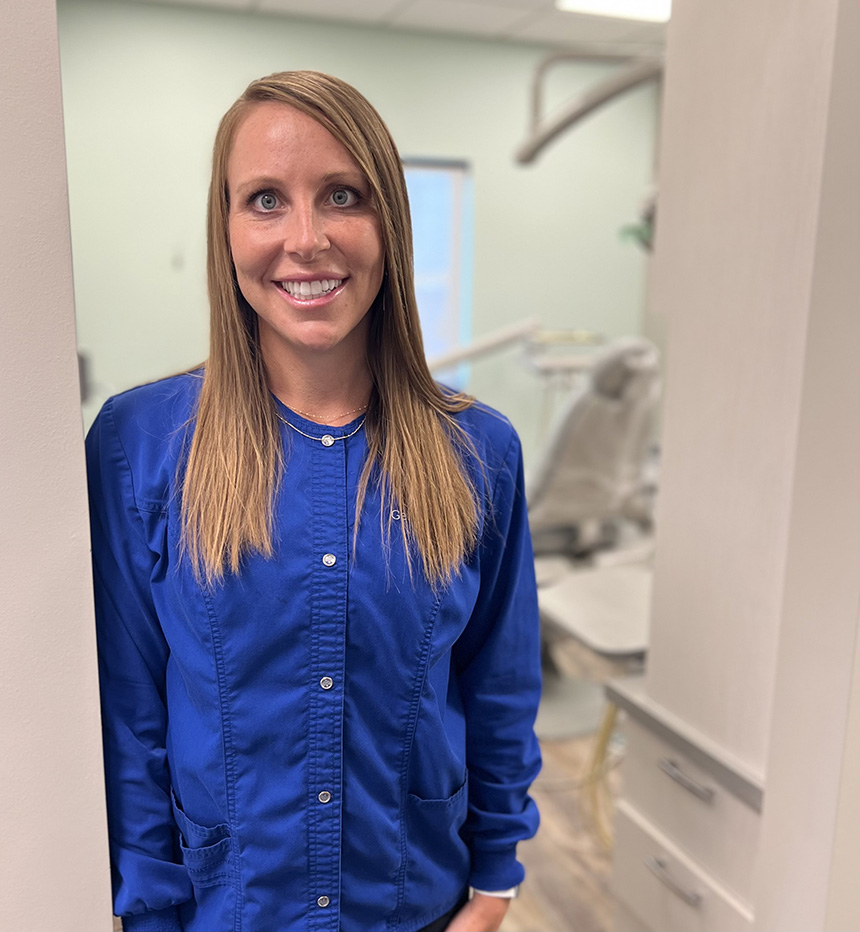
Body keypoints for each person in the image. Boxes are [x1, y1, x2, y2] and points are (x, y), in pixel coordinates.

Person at [86, 70, 541, 932]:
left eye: (342, 195)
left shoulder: (480, 454)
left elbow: (498, 686)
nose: (307, 238)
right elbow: (128, 710)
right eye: (265, 200)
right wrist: (145, 910)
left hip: (417, 907)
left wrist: (496, 883)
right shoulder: (137, 446)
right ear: (224, 230)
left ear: (391, 226)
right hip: (222, 914)